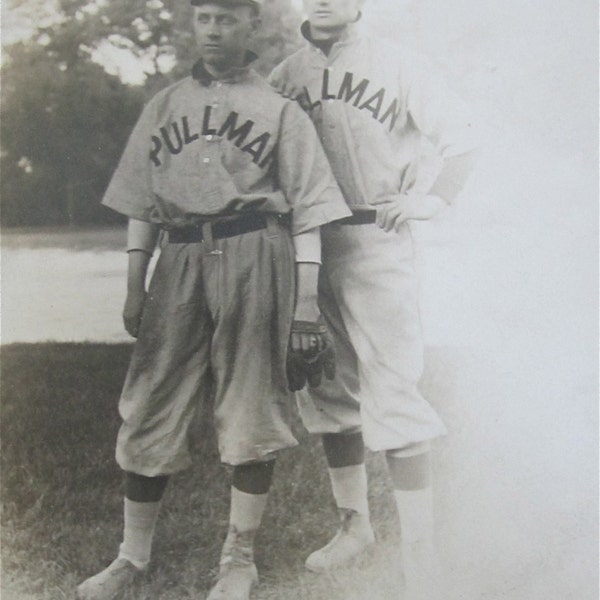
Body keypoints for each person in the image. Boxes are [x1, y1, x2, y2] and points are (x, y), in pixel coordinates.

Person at [76, 1, 351, 599]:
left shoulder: (278, 110)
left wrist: (305, 306)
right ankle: (131, 557)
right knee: (149, 401)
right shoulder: (164, 104)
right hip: (176, 259)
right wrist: (133, 284)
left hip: (256, 253)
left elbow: (309, 214)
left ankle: (239, 558)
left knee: (252, 403)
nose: (213, 29)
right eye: (203, 17)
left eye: (226, 18)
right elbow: (141, 205)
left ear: (250, 26)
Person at [269, 0, 478, 597]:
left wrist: (430, 202)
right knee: (327, 385)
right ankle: (354, 524)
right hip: (308, 243)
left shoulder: (399, 63)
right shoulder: (285, 76)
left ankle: (421, 556)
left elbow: (463, 141)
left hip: (376, 238)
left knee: (393, 388)